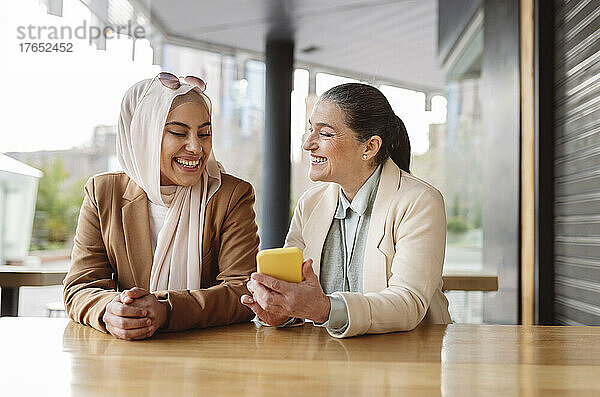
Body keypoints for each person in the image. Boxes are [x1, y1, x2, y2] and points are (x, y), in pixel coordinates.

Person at [242, 83, 451, 338]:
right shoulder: (310, 203)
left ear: (369, 147)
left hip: (405, 357)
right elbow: (299, 294)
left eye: (325, 134)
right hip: (328, 361)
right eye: (310, 129)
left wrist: (325, 310)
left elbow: (408, 303)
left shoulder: (420, 201)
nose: (308, 143)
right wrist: (281, 311)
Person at [64, 72, 259, 340]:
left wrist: (166, 310)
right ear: (144, 134)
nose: (196, 147)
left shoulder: (231, 195)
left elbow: (242, 291)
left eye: (205, 133)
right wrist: (109, 310)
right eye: (179, 132)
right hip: (124, 359)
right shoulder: (103, 193)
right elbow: (80, 287)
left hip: (209, 358)